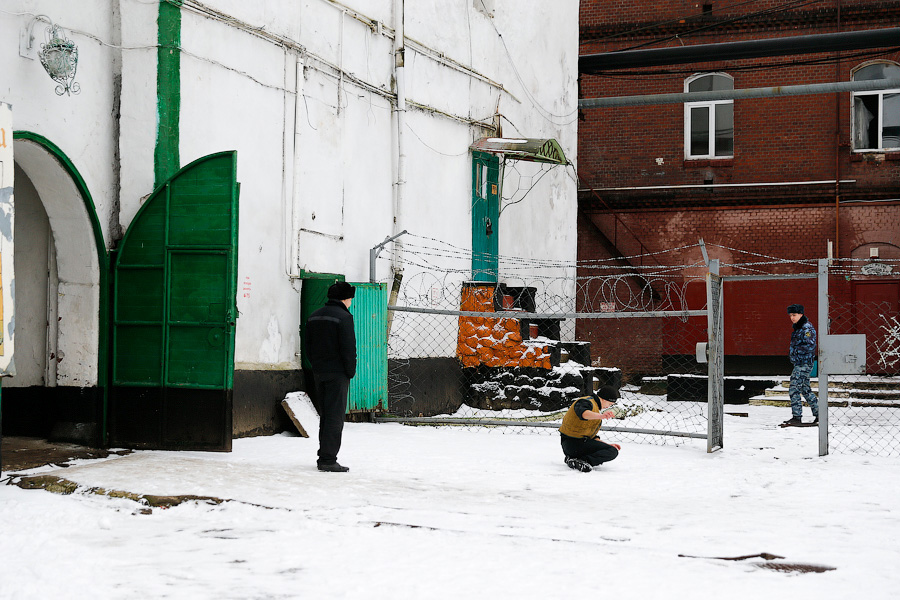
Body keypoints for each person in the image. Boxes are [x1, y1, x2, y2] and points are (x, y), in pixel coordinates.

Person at [306, 281, 357, 472]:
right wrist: (349, 372)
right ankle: (328, 459)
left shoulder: (314, 316)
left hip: (319, 373)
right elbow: (348, 348)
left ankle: (324, 455)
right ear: (345, 298)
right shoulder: (344, 317)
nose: (351, 301)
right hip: (337, 374)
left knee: (326, 416)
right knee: (335, 417)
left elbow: (308, 346)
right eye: (350, 297)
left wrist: (317, 366)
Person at [558, 385, 622, 472]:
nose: (609, 406)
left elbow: (590, 436)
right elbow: (583, 413)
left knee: (612, 450)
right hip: (572, 443)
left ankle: (575, 459)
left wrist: (606, 445)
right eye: (610, 404)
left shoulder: (594, 406)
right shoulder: (585, 401)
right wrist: (601, 416)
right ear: (604, 399)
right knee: (612, 451)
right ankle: (583, 461)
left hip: (579, 444)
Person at [785, 303, 819, 427]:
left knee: (794, 389)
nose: (792, 317)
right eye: (790, 315)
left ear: (801, 314)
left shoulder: (806, 328)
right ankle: (819, 414)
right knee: (805, 390)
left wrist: (796, 353)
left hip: (803, 363)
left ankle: (797, 417)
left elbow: (810, 345)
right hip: (800, 363)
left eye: (794, 315)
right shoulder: (799, 328)